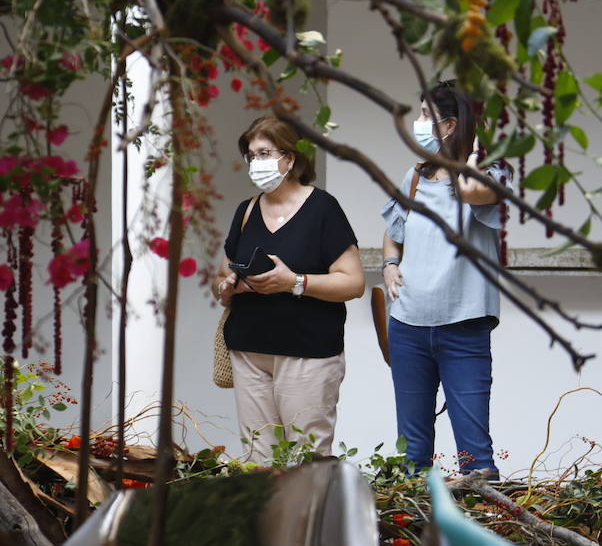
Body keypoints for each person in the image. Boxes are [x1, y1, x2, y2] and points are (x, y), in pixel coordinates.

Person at [213, 115, 365, 461]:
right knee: (257, 459)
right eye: (251, 155)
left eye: (265, 153)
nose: (256, 163)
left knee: (306, 459)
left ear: (290, 158)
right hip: (249, 351)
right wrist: (227, 287)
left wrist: (294, 282)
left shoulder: (322, 208)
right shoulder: (246, 210)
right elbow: (221, 275)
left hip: (307, 353)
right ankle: (266, 518)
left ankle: (308, 518)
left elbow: (353, 282)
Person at [380, 81, 507, 478]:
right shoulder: (415, 176)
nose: (417, 123)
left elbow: (470, 193)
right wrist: (389, 265)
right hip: (408, 326)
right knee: (412, 455)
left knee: (475, 458)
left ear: (450, 124)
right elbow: (392, 230)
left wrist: (470, 154)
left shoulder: (494, 173)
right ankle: (419, 535)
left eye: (424, 116)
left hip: (464, 327)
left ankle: (475, 532)